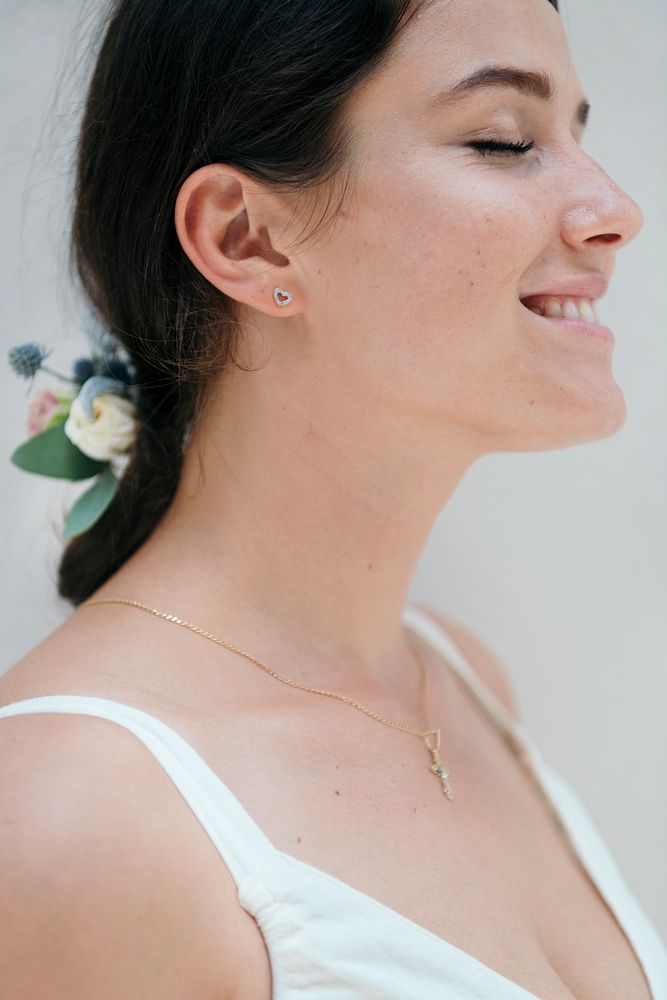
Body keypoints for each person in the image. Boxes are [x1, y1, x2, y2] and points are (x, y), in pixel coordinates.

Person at [1, 0, 664, 997]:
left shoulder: (458, 681)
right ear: (248, 238)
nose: (614, 208)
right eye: (502, 140)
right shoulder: (72, 814)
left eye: (577, 132)